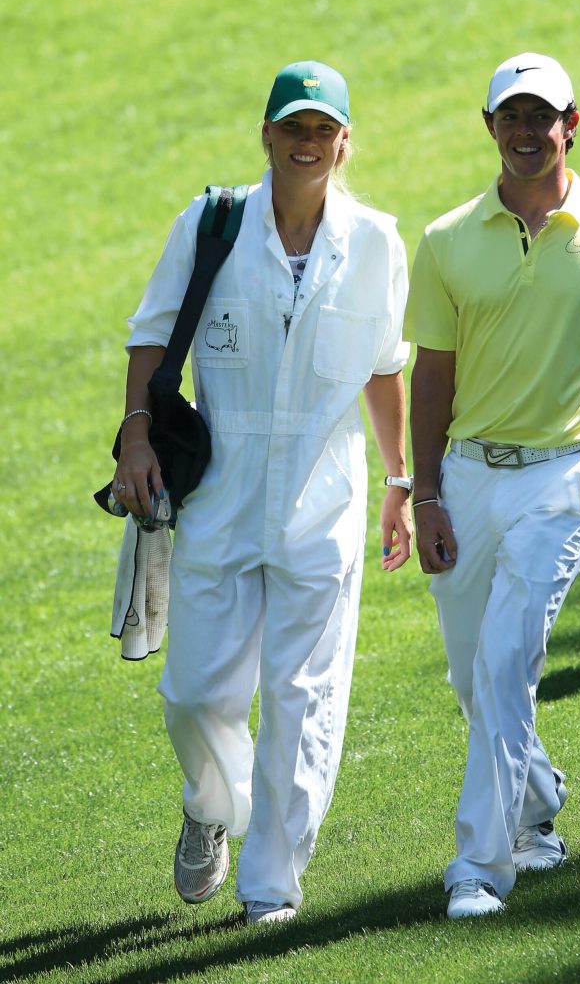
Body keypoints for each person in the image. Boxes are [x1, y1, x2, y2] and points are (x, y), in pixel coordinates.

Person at [111, 61, 412, 924]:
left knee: (302, 697)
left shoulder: (379, 244)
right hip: (222, 494)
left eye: (325, 130)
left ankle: (271, 885)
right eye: (294, 128)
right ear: (267, 135)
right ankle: (211, 806)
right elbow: (151, 335)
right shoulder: (209, 224)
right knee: (195, 693)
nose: (308, 144)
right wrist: (136, 435)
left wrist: (401, 482)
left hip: (323, 503)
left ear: (345, 142)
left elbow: (386, 371)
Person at [405, 52, 580, 919]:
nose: (524, 132)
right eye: (509, 117)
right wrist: (427, 492)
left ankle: (480, 866)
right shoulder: (444, 240)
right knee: (474, 678)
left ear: (571, 123)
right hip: (469, 475)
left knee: (508, 659)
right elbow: (430, 377)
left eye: (539, 116)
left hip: (565, 475)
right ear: (489, 128)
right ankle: (540, 800)